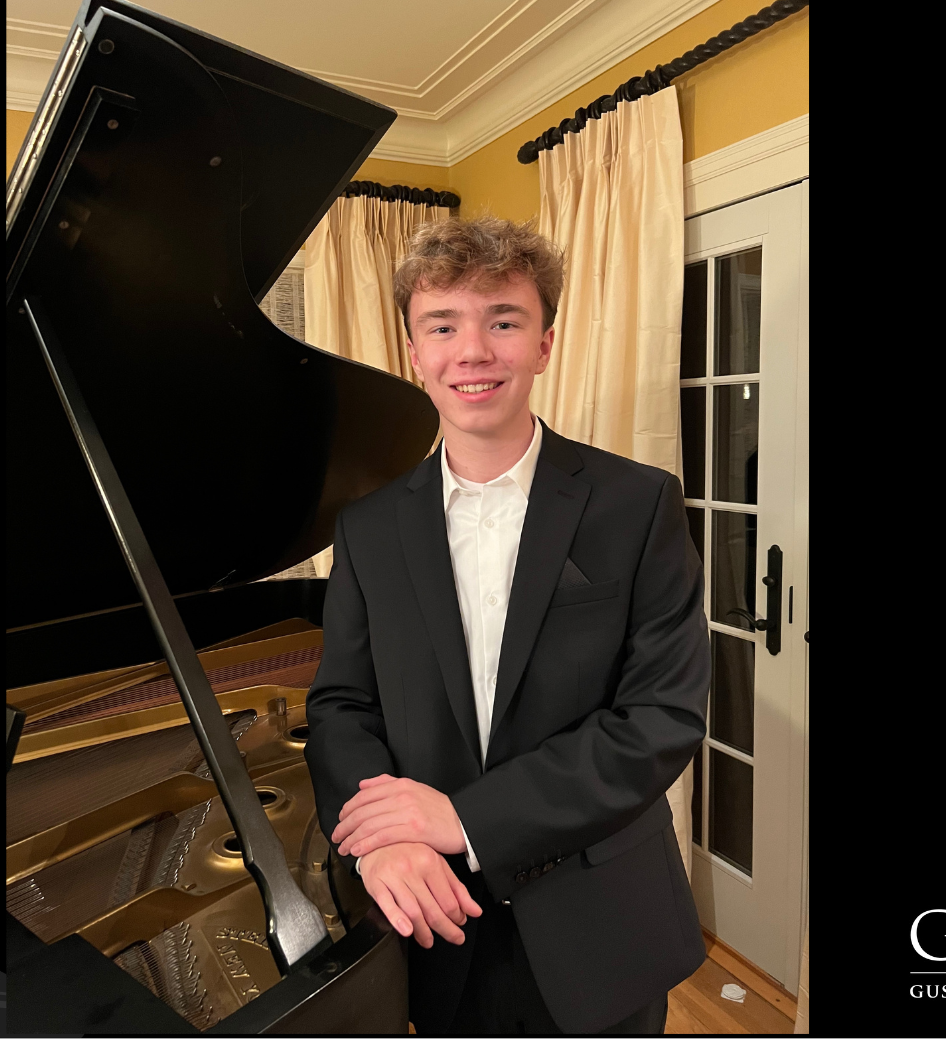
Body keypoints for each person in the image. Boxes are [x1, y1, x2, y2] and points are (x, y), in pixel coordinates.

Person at [304, 216, 710, 1034]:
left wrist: (464, 818)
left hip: (604, 918)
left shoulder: (639, 502)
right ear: (413, 351)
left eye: (504, 321)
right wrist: (381, 840)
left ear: (545, 343)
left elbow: (661, 719)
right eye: (443, 326)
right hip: (436, 910)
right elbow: (342, 706)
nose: (473, 351)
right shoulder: (367, 527)